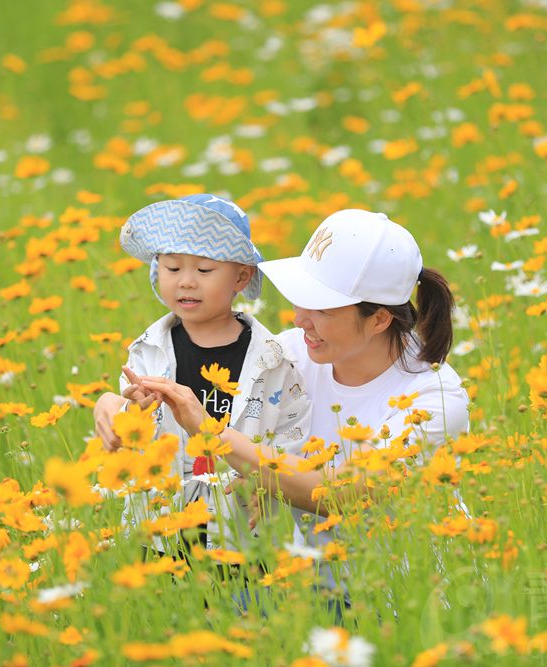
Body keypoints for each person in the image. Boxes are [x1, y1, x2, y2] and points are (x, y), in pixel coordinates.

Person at [121, 208, 470, 565]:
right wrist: (114, 406)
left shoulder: (434, 400)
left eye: (321, 309)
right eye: (300, 298)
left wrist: (220, 441)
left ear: (379, 319)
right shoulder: (288, 353)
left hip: (410, 596)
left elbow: (345, 491)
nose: (298, 318)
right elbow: (226, 422)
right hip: (307, 591)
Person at [95, 194, 311, 555]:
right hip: (161, 531)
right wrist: (130, 413)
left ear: (241, 276)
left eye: (204, 270)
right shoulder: (148, 351)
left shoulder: (273, 360)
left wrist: (268, 482)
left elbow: (294, 432)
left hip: (242, 536)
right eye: (172, 269)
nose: (186, 282)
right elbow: (129, 439)